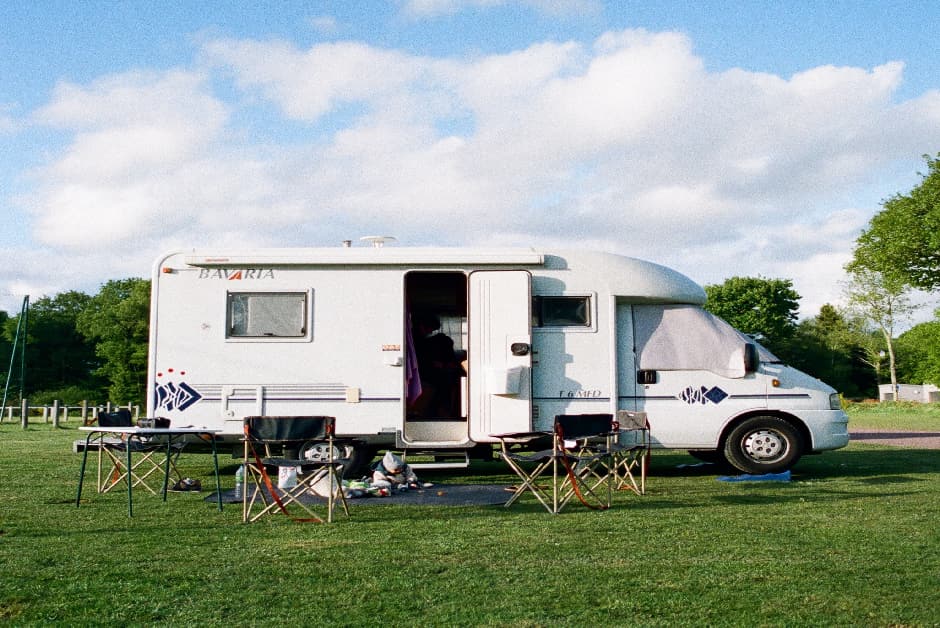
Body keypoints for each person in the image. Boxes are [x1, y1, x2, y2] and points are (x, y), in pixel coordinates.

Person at [410, 312, 463, 418]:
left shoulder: (424, 339)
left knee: (445, 381)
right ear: (423, 326)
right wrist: (438, 364)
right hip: (423, 373)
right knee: (444, 383)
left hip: (428, 372)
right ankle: (442, 411)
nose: (430, 332)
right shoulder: (417, 339)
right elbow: (421, 359)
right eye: (430, 329)